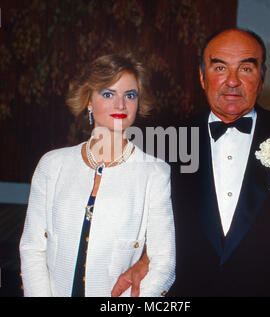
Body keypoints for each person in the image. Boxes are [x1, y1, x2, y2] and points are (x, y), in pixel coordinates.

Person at [112, 29, 270, 296]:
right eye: (220, 67)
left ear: (261, 78)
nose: (232, 81)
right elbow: (153, 227)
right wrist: (145, 260)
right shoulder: (171, 141)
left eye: (246, 69)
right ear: (203, 77)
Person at [19, 54, 175, 297]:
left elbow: (164, 264)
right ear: (89, 101)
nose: (120, 105)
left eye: (130, 95)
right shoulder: (52, 165)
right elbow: (32, 248)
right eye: (108, 94)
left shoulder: (155, 173)